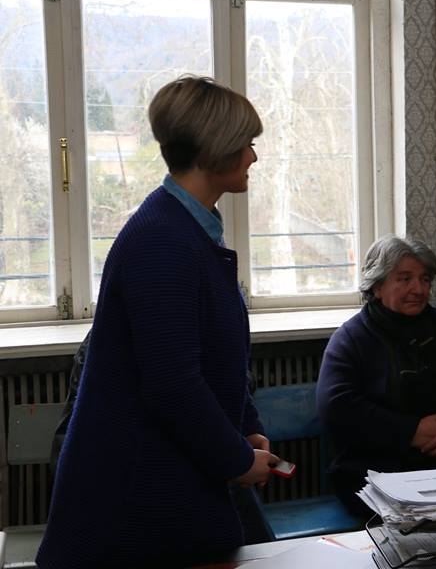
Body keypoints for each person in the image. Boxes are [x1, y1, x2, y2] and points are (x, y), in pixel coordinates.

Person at [37, 75, 278, 569]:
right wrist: (235, 459)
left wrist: (245, 429)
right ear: (214, 149)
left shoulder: (187, 229)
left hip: (169, 487)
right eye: (246, 144)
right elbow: (173, 385)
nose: (253, 157)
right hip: (135, 504)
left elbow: (217, 360)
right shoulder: (161, 240)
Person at [316, 235, 436, 517]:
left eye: (424, 279)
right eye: (405, 279)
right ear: (377, 286)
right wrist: (411, 432)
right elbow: (337, 406)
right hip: (378, 470)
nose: (418, 289)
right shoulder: (351, 337)